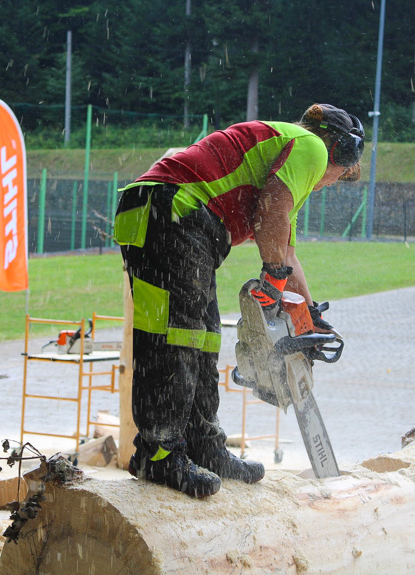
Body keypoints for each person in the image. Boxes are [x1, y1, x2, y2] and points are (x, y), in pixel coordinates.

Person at [113, 103, 365, 497]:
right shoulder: (311, 148)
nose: (331, 183)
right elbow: (270, 215)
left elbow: (287, 253)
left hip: (181, 218)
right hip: (171, 209)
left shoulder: (289, 165)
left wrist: (309, 314)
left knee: (203, 338)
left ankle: (203, 445)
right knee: (176, 336)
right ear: (340, 151)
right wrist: (273, 276)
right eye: (338, 176)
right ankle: (158, 453)